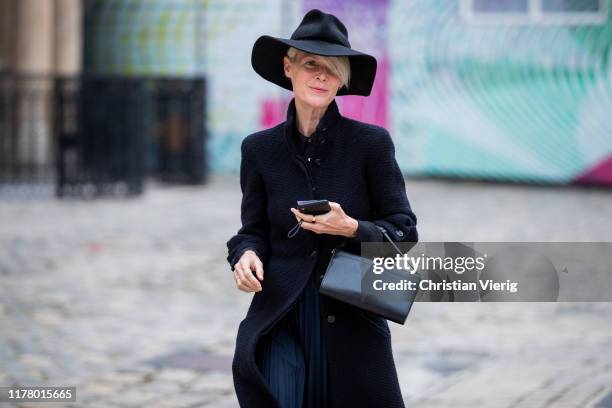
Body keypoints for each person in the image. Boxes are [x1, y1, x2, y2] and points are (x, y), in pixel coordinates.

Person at [226, 9, 418, 408]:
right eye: (311, 64)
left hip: (353, 315)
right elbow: (253, 230)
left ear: (342, 81)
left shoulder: (371, 144)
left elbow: (405, 231)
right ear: (288, 68)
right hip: (280, 313)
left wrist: (350, 227)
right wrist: (244, 255)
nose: (321, 76)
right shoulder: (259, 150)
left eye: (332, 69)